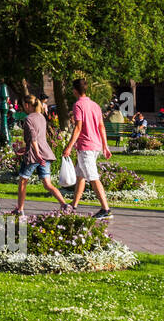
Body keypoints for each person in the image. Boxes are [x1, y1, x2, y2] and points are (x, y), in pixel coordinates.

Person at [63, 78, 114, 220]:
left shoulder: (78, 105)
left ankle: (106, 209)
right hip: (95, 145)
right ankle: (74, 205)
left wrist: (68, 146)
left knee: (93, 177)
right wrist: (105, 146)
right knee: (81, 175)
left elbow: (78, 127)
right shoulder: (95, 105)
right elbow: (101, 127)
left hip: (86, 146)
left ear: (75, 90)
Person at [10, 94, 69, 215]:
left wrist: (36, 153)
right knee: (47, 184)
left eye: (23, 105)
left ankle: (20, 209)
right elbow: (38, 138)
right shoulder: (42, 117)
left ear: (27, 105)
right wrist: (26, 147)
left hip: (34, 155)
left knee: (23, 181)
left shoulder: (28, 119)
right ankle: (64, 204)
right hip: (45, 154)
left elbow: (33, 137)